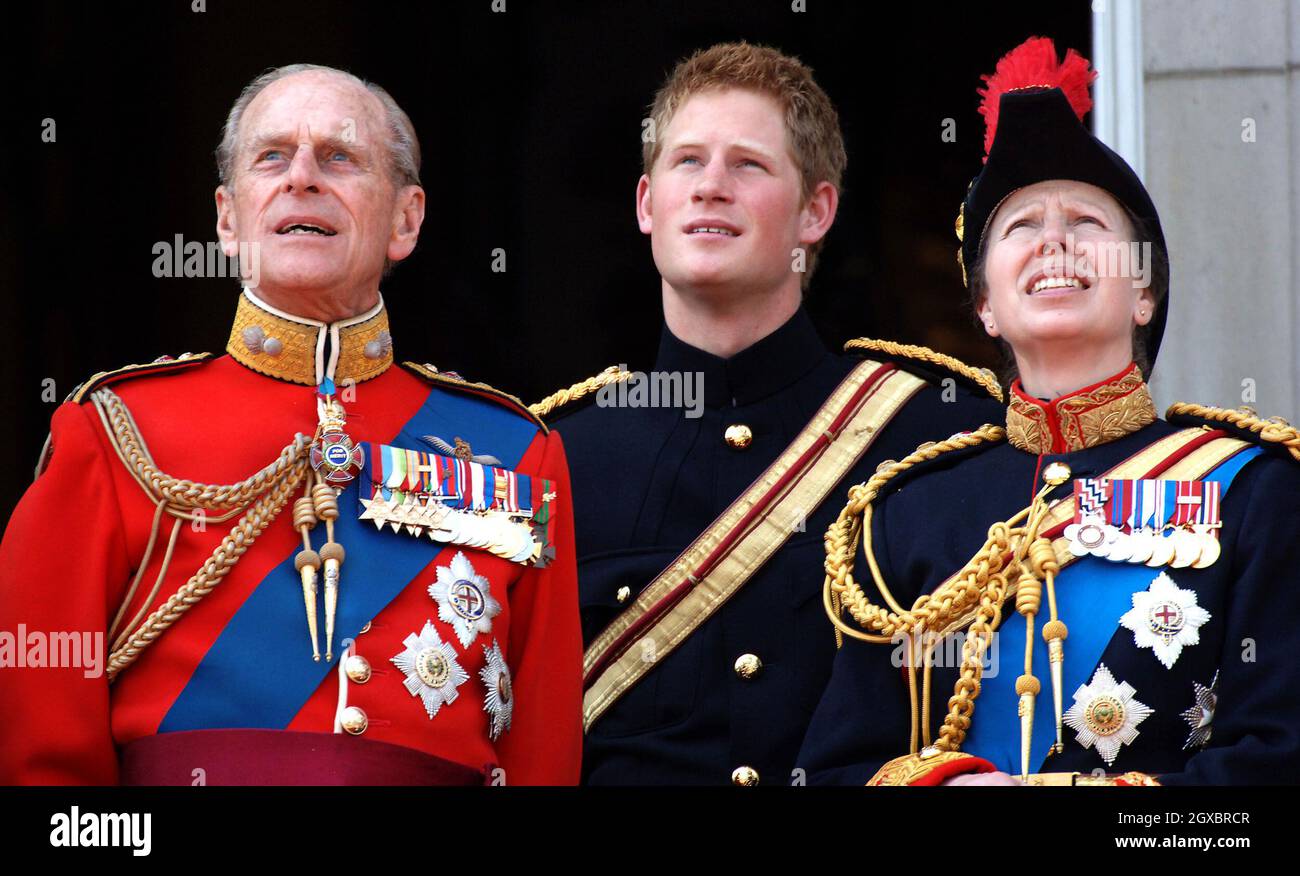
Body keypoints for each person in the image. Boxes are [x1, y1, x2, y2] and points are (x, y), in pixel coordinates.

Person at [0, 64, 581, 785]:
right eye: (271, 157)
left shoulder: (517, 453)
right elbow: (45, 768)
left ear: (406, 219)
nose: (302, 177)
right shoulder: (116, 432)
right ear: (227, 218)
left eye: (340, 158)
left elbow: (544, 753)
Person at [799, 37, 1300, 786]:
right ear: (986, 306)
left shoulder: (1254, 491)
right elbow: (836, 769)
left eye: (1089, 225)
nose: (1055, 240)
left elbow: (1278, 761)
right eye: (1021, 226)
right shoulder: (905, 513)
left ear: (1145, 294)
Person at [532, 42, 1006, 785]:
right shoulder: (558, 456)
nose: (710, 187)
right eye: (686, 161)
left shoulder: (936, 432)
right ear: (646, 205)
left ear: (815, 212)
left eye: (748, 165)